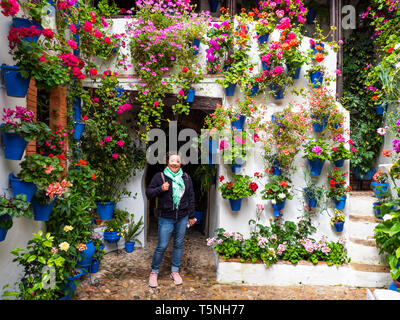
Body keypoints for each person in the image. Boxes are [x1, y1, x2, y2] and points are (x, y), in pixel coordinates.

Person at [146, 151, 197, 288]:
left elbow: (191, 197)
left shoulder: (186, 178)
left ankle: (175, 271)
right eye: (172, 161)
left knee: (179, 245)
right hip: (166, 217)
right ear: (167, 162)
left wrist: (191, 216)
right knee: (162, 246)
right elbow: (149, 192)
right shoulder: (160, 177)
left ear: (181, 164)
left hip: (182, 217)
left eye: (178, 161)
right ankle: (154, 272)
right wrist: (160, 189)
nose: (175, 163)